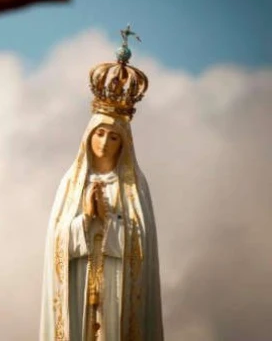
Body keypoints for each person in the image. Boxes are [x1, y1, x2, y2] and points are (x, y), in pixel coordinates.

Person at [39, 28, 163, 340]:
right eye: (99, 133)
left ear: (124, 143)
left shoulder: (134, 187)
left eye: (113, 136)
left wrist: (110, 220)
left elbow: (142, 243)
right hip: (79, 286)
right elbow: (55, 243)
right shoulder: (72, 183)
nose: (104, 142)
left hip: (117, 288)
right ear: (88, 136)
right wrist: (85, 219)